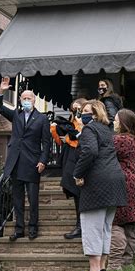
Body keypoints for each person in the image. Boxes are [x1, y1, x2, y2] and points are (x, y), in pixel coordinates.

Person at [73, 100, 127, 271]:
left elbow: (90, 152)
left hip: (97, 183)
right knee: (105, 229)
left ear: (95, 114)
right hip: (115, 182)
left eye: (86, 111)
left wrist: (77, 173)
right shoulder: (107, 129)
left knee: (91, 229)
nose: (82, 114)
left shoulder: (90, 129)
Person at [0, 77, 51, 241]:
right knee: (17, 199)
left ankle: (33, 227)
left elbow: (46, 143)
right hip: (15, 163)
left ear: (34, 100)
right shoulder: (16, 115)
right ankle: (19, 229)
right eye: (24, 98)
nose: (26, 100)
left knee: (32, 199)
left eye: (29, 98)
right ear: (20, 100)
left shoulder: (42, 119)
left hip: (33, 164)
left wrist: (43, 161)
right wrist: (1, 91)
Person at [108, 109, 135, 271]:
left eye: (116, 120)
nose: (114, 123)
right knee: (130, 226)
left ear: (123, 123)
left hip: (124, 186)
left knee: (115, 223)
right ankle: (127, 262)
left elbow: (102, 150)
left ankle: (115, 265)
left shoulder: (121, 140)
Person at [51, 98, 86, 239]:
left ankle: (82, 226)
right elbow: (60, 140)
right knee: (75, 193)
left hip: (79, 158)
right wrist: (54, 129)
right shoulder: (71, 121)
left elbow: (82, 139)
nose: (75, 111)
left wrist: (71, 137)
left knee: (80, 193)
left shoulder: (85, 123)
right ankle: (79, 225)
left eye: (79, 109)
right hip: (69, 157)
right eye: (73, 109)